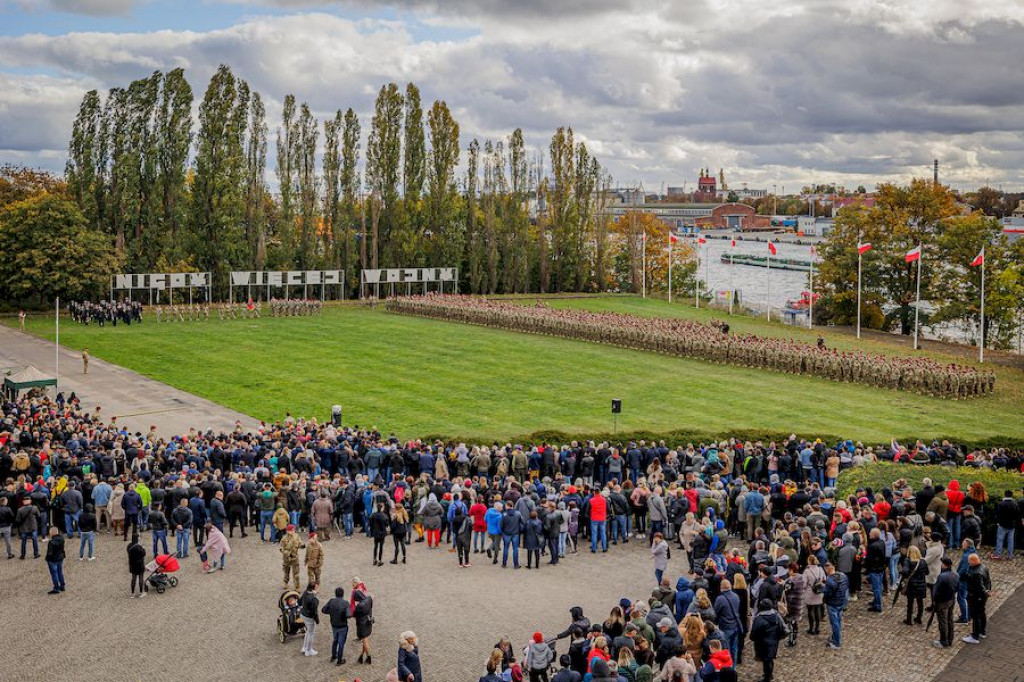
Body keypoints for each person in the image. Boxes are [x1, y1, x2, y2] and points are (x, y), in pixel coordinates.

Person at [749, 598, 786, 682]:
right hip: (773, 641)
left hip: (762, 644)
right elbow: (781, 628)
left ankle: (767, 677)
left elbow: (753, 634)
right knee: (770, 659)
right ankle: (769, 675)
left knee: (766, 661)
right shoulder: (776, 615)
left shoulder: (759, 618)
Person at [962, 553, 991, 644]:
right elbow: (988, 581)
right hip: (982, 597)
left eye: (969, 561)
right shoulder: (984, 567)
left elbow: (980, 586)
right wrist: (988, 591)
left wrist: (984, 592)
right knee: (982, 613)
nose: (968, 563)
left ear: (973, 561)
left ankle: (975, 636)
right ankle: (982, 631)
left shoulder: (976, 573)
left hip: (976, 597)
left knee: (976, 616)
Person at [931, 556, 959, 648]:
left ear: (944, 565)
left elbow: (936, 591)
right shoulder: (955, 575)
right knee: (950, 620)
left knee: (943, 622)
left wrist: (935, 600)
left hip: (942, 602)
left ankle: (944, 641)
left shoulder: (942, 577)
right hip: (951, 599)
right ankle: (950, 639)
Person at [322, 585, 350, 665]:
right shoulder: (345, 603)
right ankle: (339, 660)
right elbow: (348, 615)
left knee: (335, 641)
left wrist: (331, 612)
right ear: (343, 594)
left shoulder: (331, 601)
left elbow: (323, 610)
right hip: (342, 626)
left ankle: (333, 656)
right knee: (341, 643)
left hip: (334, 625)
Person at [822, 562, 848, 650]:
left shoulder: (829, 581)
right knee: (838, 621)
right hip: (841, 601)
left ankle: (836, 642)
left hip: (832, 603)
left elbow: (827, 593)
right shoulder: (843, 576)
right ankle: (835, 637)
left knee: (834, 623)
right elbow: (846, 588)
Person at [901, 545, 928, 625]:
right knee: (920, 602)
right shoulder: (923, 561)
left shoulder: (908, 561)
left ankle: (909, 619)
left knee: (910, 603)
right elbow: (927, 572)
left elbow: (905, 571)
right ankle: (919, 618)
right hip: (921, 584)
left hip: (911, 585)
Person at [992, 490, 1020, 560]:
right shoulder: (1015, 504)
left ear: (1005, 495)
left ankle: (998, 554)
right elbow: (1017, 515)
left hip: (1002, 524)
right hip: (1012, 525)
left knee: (1000, 540)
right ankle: (1010, 555)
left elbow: (997, 514)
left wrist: (998, 522)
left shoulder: (1001, 504)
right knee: (1010, 540)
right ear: (1011, 495)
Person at [353, 586, 374, 664]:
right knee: (366, 640)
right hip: (368, 622)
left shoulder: (359, 606)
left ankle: (369, 656)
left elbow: (355, 614)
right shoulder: (369, 599)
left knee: (365, 641)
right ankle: (361, 656)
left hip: (362, 626)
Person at [299, 582, 320, 656]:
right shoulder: (313, 599)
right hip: (309, 617)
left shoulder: (305, 592)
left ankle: (304, 647)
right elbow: (314, 611)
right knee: (311, 633)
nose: (317, 588)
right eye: (316, 587)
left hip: (303, 614)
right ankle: (308, 650)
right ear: (313, 588)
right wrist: (317, 620)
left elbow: (300, 601)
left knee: (308, 631)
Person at [280, 524, 304, 589]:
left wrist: (302, 545)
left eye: (293, 530)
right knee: (286, 572)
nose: (293, 531)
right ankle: (285, 583)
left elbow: (299, 542)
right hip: (286, 558)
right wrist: (288, 554)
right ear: (288, 531)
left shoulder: (296, 536)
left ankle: (297, 587)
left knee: (296, 573)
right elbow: (281, 548)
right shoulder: (284, 538)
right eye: (291, 530)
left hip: (295, 557)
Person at [45, 527, 66, 594]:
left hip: (53, 560)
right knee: (60, 572)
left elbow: (49, 553)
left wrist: (47, 559)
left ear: (51, 533)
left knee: (54, 574)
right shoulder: (62, 539)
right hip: (60, 558)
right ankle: (62, 586)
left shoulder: (51, 542)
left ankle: (56, 588)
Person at [127, 531, 147, 598]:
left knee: (133, 579)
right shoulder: (139, 547)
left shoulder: (129, 546)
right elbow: (143, 554)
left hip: (132, 564)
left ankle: (132, 593)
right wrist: (143, 549)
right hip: (140, 565)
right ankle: (141, 592)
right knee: (141, 579)